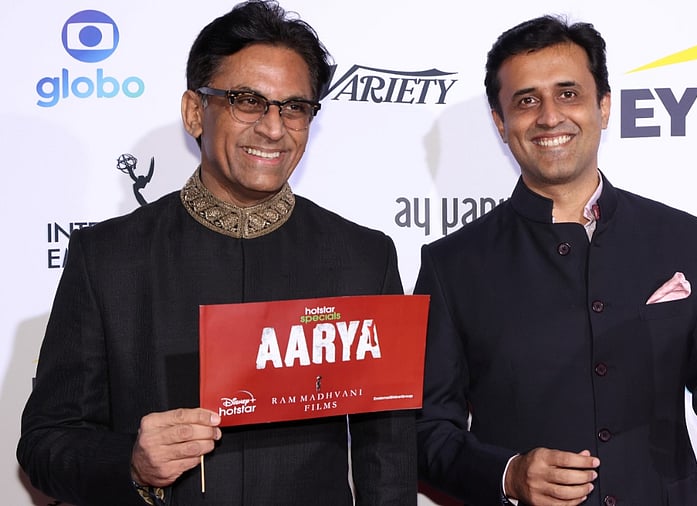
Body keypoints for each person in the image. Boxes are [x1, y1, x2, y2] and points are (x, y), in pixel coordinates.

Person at [17, 2, 416, 504]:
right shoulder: (107, 258)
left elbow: (390, 461)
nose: (274, 128)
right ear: (193, 111)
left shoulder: (363, 258)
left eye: (294, 107)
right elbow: (45, 443)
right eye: (248, 101)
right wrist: (133, 463)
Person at [414, 15, 697, 506]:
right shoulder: (452, 266)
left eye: (568, 94)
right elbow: (425, 431)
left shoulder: (680, 238)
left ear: (603, 106)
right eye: (526, 100)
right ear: (500, 122)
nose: (549, 116)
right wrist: (509, 474)